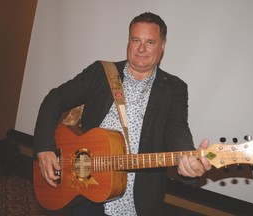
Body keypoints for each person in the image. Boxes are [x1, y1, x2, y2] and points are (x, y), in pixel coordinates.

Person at [34, 12, 211, 216]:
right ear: (129, 41)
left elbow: (177, 128)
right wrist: (44, 148)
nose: (141, 48)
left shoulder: (174, 88)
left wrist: (188, 160)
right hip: (83, 190)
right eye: (136, 40)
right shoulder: (101, 72)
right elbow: (54, 99)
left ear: (162, 46)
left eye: (150, 42)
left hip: (135, 201)